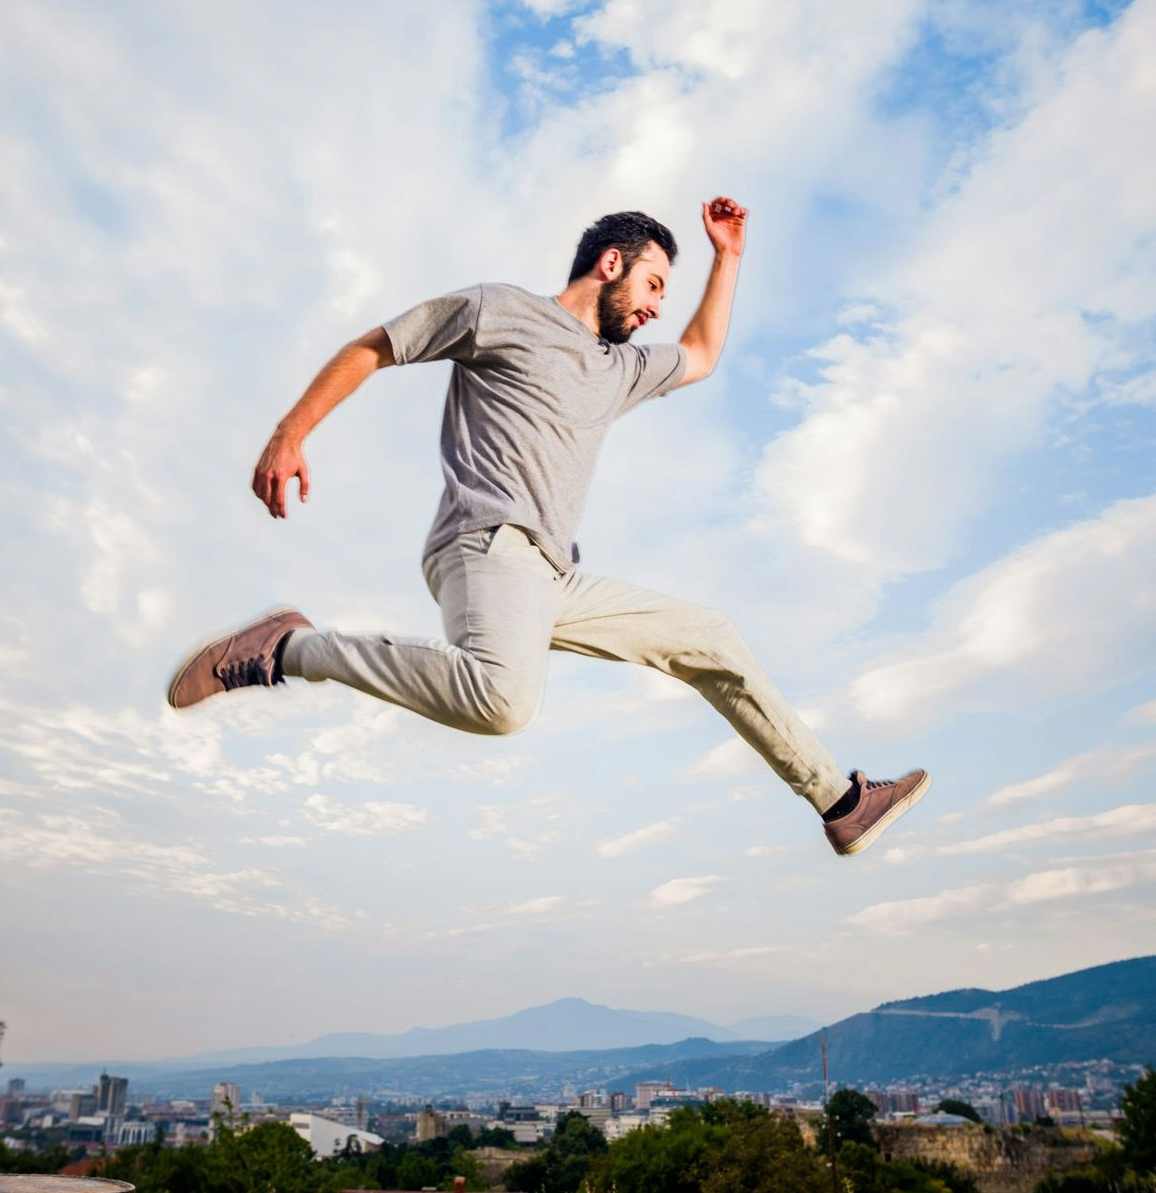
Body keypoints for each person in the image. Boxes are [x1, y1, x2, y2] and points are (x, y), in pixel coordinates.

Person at [168, 199, 928, 857]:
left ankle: (838, 801)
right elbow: (374, 347)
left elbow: (699, 354)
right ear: (609, 264)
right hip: (485, 544)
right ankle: (289, 648)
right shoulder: (500, 311)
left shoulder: (617, 369)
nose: (657, 305)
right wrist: (289, 432)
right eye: (655, 284)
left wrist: (726, 258)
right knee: (502, 702)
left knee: (711, 636)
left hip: (553, 576)